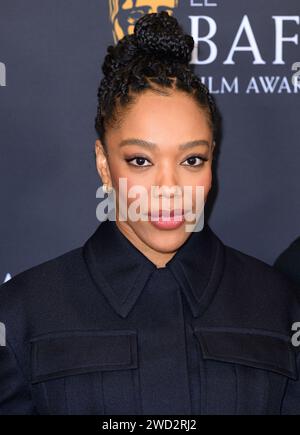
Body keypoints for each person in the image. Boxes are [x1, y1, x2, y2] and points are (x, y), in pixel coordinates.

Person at [0, 11, 300, 415]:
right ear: (104, 165)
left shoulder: (279, 305)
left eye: (192, 160)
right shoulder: (21, 314)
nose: (169, 189)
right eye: (141, 160)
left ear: (213, 160)